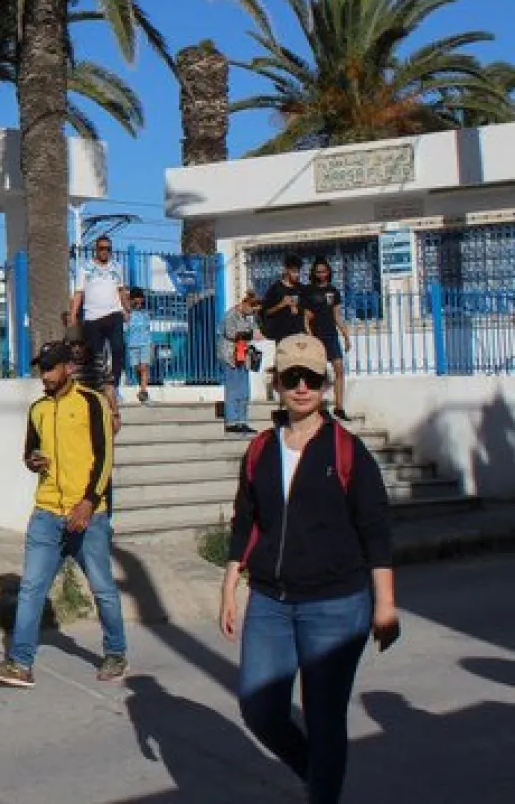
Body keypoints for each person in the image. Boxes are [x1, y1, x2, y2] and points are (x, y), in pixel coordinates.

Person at [219, 334, 399, 804]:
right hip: (271, 602)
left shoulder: (346, 450)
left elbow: (375, 529)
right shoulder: (260, 449)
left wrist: (386, 604)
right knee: (260, 708)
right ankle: (316, 773)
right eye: (292, 377)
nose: (302, 387)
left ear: (324, 384)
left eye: (312, 378)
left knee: (324, 719)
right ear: (276, 382)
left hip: (336, 605)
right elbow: (245, 519)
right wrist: (229, 585)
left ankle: (322, 790)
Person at [0, 341, 127, 688]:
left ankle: (116, 653)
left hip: (88, 514)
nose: (44, 375)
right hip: (47, 511)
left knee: (103, 588)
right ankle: (20, 664)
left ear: (69, 368)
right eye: (41, 369)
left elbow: (105, 458)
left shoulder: (93, 403)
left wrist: (89, 503)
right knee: (31, 587)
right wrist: (33, 460)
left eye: (50, 368)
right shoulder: (38, 410)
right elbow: (29, 453)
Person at [71, 236, 128, 394]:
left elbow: (121, 290)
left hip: (114, 313)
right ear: (96, 250)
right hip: (92, 317)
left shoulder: (117, 267)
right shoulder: (85, 268)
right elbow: (78, 292)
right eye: (102, 248)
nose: (105, 251)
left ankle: (114, 386)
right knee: (96, 354)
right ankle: (98, 387)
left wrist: (127, 308)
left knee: (118, 348)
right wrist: (73, 315)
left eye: (108, 248)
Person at [303, 257, 352, 421]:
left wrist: (346, 336)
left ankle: (339, 407)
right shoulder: (309, 291)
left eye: (324, 271)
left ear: (328, 272)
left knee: (339, 369)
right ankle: (319, 407)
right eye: (318, 271)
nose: (321, 274)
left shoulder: (334, 291)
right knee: (320, 373)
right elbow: (306, 317)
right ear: (314, 273)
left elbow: (337, 316)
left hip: (331, 336)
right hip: (317, 337)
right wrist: (310, 336)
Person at [218, 291, 262, 436]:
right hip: (231, 356)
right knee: (233, 390)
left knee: (244, 390)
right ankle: (231, 422)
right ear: (245, 303)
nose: (252, 312)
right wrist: (248, 334)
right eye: (252, 308)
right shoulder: (231, 315)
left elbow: (257, 333)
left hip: (244, 356)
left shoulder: (248, 318)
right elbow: (232, 334)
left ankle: (242, 421)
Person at [125, 289, 154, 404]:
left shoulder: (145, 313)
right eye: (136, 302)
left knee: (144, 367)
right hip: (132, 344)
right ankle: (141, 387)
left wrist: (151, 344)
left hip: (145, 343)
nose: (139, 305)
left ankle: (143, 391)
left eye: (141, 302)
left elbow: (148, 329)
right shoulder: (128, 314)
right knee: (137, 368)